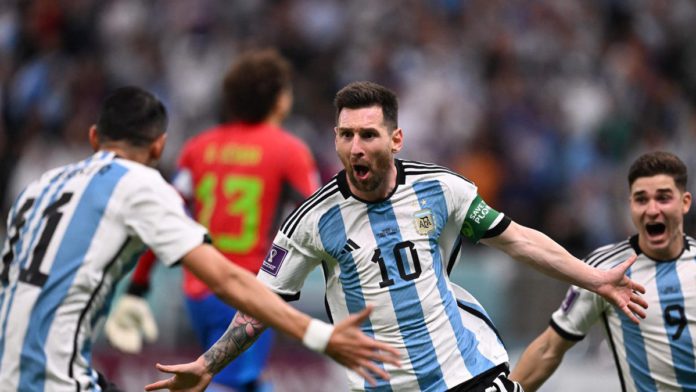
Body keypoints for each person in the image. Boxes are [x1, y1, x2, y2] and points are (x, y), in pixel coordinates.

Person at [145, 81, 648, 392]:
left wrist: (597, 279)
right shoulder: (312, 221)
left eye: (368, 135)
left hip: (465, 375)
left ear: (395, 139)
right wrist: (208, 365)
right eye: (346, 136)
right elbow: (258, 305)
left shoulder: (439, 189)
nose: (356, 148)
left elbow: (515, 239)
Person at [0, 86, 399, 392]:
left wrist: (137, 288)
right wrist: (318, 333)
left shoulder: (39, 185)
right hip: (56, 378)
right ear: (158, 146)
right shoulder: (142, 184)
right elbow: (226, 280)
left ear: (93, 137)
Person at [104, 48, 320, 392]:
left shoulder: (197, 148)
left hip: (198, 292)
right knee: (224, 383)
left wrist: (138, 285)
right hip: (249, 293)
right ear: (279, 99)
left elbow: (163, 218)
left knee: (243, 382)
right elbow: (318, 217)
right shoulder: (289, 150)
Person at [510, 151, 695, 391]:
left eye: (663, 198)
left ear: (685, 202)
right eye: (641, 199)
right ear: (630, 205)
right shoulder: (605, 270)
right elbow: (549, 349)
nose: (652, 209)